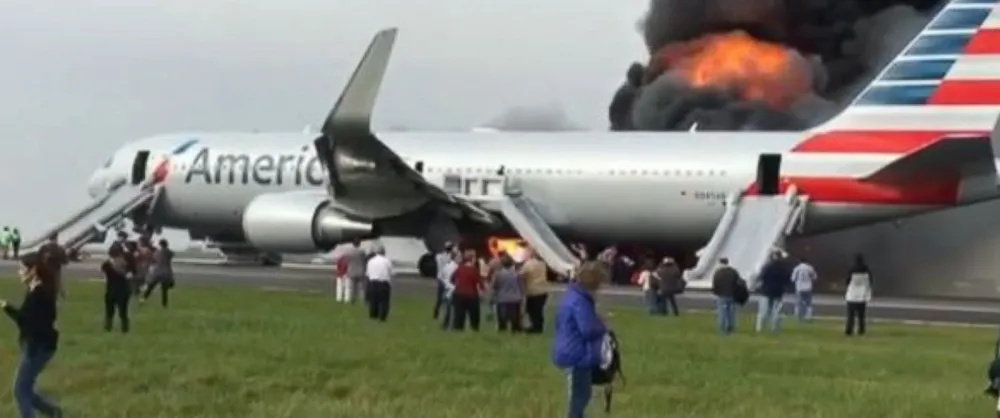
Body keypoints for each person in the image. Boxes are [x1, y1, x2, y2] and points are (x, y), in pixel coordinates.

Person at [2, 252, 64, 418]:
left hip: (37, 347)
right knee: (25, 388)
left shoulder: (39, 294)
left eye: (22, 269)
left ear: (33, 270)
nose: (19, 273)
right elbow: (28, 319)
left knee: (20, 390)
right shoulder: (37, 290)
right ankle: (53, 412)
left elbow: (28, 322)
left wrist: (7, 307)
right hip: (38, 345)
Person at [552, 261, 608, 418]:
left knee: (580, 395)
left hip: (569, 348)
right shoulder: (581, 302)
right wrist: (602, 326)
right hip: (577, 354)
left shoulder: (571, 297)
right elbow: (588, 329)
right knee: (579, 397)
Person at [756, 251, 790, 333]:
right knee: (776, 311)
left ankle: (760, 328)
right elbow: (787, 280)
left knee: (763, 311)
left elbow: (761, 277)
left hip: (766, 291)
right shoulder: (784, 268)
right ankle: (775, 328)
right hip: (778, 292)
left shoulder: (767, 266)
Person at [451, 249, 484, 331]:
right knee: (474, 315)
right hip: (471, 295)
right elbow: (480, 283)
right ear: (472, 259)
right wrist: (482, 290)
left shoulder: (460, 268)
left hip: (459, 294)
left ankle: (458, 329)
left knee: (459, 314)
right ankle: (474, 329)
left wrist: (457, 284)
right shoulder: (474, 270)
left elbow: (452, 278)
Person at [492, 253, 525, 333]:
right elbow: (521, 286)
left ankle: (502, 332)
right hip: (515, 299)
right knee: (515, 320)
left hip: (502, 299)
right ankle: (516, 332)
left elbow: (495, 286)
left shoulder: (498, 274)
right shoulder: (517, 274)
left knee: (502, 320)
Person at [101, 246, 131, 333]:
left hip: (112, 290)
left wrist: (111, 267)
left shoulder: (109, 264)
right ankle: (124, 328)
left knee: (110, 311)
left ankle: (109, 327)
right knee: (122, 311)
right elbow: (125, 274)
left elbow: (122, 273)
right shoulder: (122, 262)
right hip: (121, 290)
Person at [520, 249, 550, 334]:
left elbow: (521, 274)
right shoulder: (543, 264)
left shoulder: (529, 264)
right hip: (543, 290)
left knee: (531, 310)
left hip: (532, 291)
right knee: (539, 311)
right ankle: (539, 327)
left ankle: (535, 327)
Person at [711, 258, 742, 335]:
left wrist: (716, 292)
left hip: (722, 295)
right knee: (731, 312)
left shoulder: (718, 273)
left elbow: (715, 284)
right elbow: (739, 283)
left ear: (720, 263)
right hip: (732, 295)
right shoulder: (733, 272)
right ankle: (730, 327)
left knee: (722, 312)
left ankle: (723, 328)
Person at [845, 254, 873, 336]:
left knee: (851, 315)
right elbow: (870, 282)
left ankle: (849, 330)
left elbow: (847, 281)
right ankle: (861, 330)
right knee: (861, 315)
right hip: (862, 295)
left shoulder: (852, 270)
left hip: (852, 295)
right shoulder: (866, 270)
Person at [142, 239, 174, 308]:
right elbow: (172, 254)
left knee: (151, 286)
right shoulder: (168, 252)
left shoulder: (157, 252)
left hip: (157, 272)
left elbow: (153, 258)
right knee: (164, 290)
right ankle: (164, 304)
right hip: (166, 273)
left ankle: (143, 298)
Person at [365, 244, 393, 321]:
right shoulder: (387, 261)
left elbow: (368, 273)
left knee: (373, 301)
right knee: (384, 301)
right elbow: (391, 272)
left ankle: (373, 316)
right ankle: (382, 317)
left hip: (373, 282)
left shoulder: (371, 261)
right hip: (383, 283)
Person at [38, 235, 67, 299]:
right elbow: (65, 261)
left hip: (45, 270)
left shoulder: (43, 247)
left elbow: (38, 257)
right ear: (56, 238)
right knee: (56, 286)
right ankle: (58, 296)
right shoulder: (60, 249)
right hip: (56, 270)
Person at [437, 250, 459, 329]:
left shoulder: (446, 266)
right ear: (455, 257)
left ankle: (445, 325)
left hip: (446, 289)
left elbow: (442, 277)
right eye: (459, 256)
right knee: (454, 310)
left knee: (447, 310)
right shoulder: (456, 267)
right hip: (453, 289)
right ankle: (453, 326)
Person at [791, 257, 818, 322]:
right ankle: (808, 316)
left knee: (798, 303)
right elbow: (815, 277)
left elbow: (793, 279)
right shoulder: (810, 268)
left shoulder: (797, 268)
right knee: (808, 303)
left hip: (799, 287)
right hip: (808, 287)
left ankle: (798, 316)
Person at [432, 242, 455, 319]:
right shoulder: (450, 258)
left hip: (440, 278)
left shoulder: (439, 256)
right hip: (447, 278)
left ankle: (436, 313)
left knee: (439, 298)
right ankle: (446, 313)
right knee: (448, 297)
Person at [343, 240, 368, 305]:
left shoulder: (349, 252)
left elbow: (347, 261)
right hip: (360, 270)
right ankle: (362, 300)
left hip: (351, 271)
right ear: (359, 244)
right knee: (361, 288)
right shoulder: (362, 252)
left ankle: (352, 300)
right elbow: (365, 260)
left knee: (352, 288)